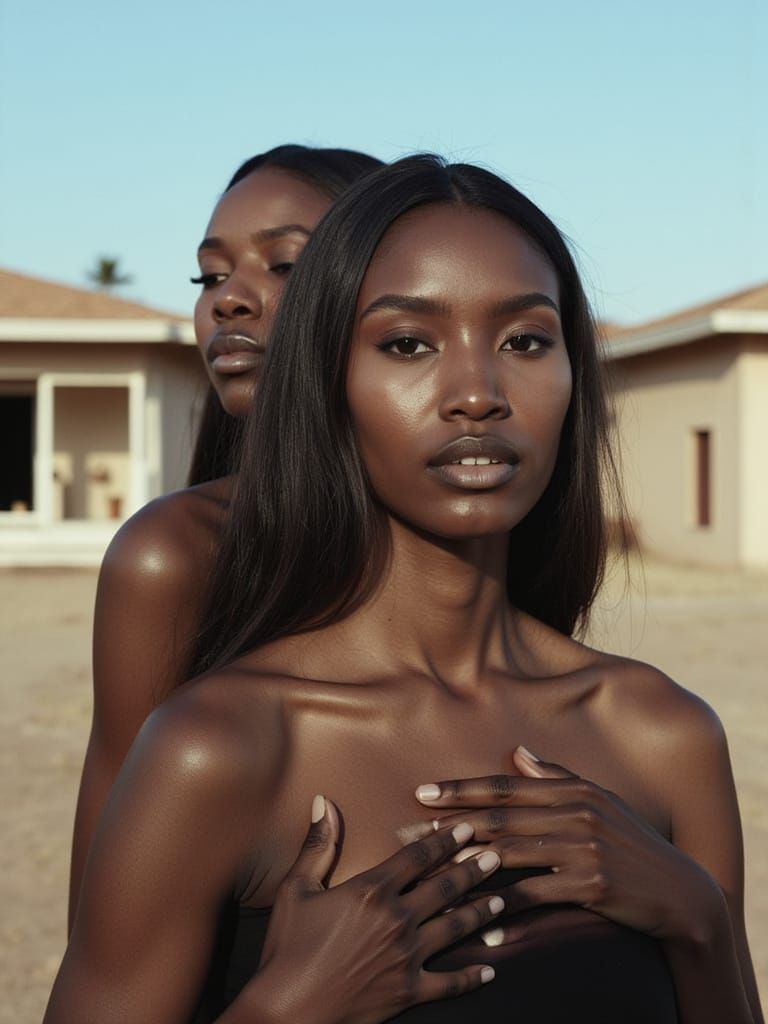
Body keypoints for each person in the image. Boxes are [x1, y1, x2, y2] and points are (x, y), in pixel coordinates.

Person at [48, 155, 762, 1023]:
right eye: (408, 344)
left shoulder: (664, 733)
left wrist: (701, 924)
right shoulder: (218, 750)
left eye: (526, 341)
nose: (476, 394)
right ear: (327, 384)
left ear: (576, 381)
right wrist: (287, 1012)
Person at [67, 145, 383, 925]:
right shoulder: (173, 556)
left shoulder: (470, 555)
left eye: (283, 264)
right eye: (210, 276)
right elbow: (103, 926)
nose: (229, 301)